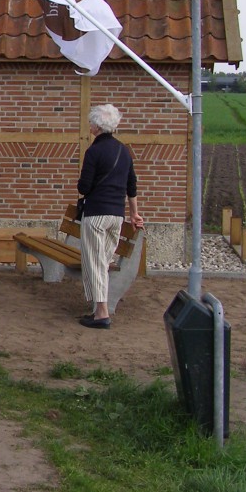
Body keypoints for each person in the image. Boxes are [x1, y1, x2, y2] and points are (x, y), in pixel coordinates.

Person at [77, 104, 144, 329]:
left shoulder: (93, 152)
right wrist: (134, 214)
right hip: (117, 216)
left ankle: (102, 314)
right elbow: (131, 185)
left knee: (95, 264)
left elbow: (84, 187)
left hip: (95, 215)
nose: (90, 126)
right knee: (103, 263)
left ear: (96, 126)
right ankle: (98, 310)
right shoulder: (124, 151)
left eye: (91, 123)